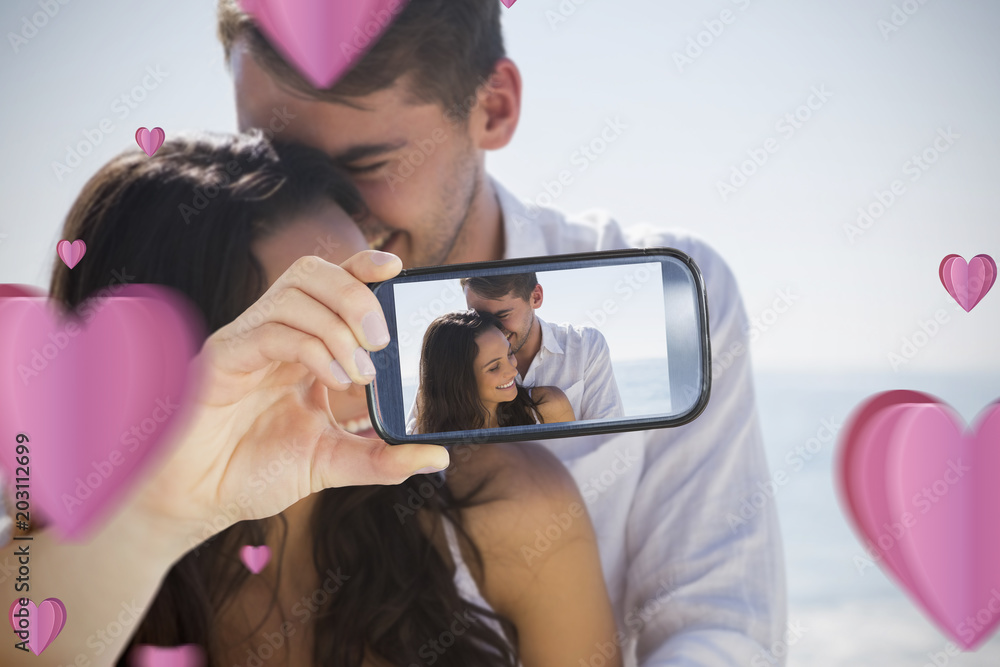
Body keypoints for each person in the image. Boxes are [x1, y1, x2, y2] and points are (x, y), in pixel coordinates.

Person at [219, 0, 788, 664]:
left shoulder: (667, 305)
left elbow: (720, 625)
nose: (327, 215)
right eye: (277, 169)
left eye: (368, 164)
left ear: (493, 107)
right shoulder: (233, 344)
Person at [0, 131, 624, 666]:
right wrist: (167, 507)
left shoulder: (506, 505)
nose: (368, 362)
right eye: (311, 328)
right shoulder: (57, 549)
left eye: (366, 304)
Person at [462, 273, 626, 421]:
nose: (493, 328)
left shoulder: (586, 345)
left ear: (536, 297)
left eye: (502, 315)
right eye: (479, 317)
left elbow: (608, 440)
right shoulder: (461, 361)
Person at [414, 310, 575, 433]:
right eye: (494, 367)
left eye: (509, 353)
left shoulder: (547, 406)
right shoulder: (429, 433)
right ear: (456, 379)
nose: (512, 371)